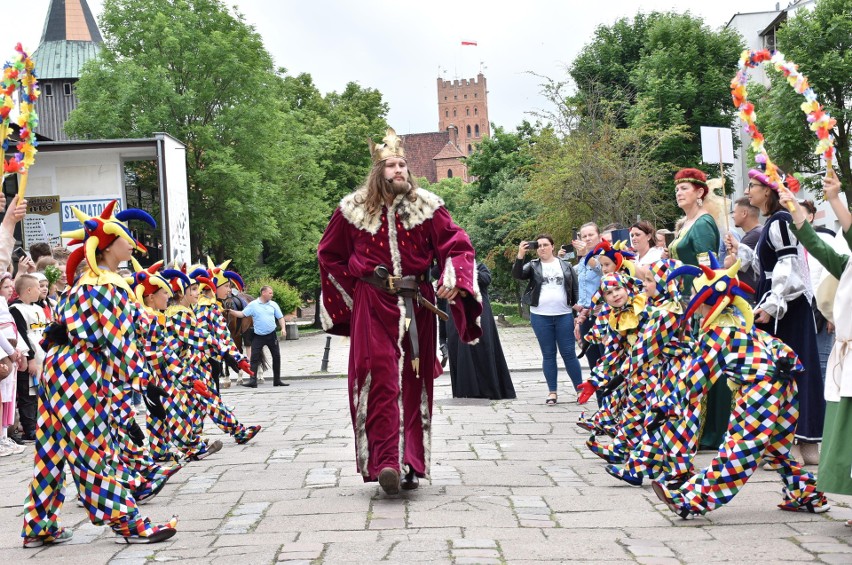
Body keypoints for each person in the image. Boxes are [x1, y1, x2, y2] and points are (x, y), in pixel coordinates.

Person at [317, 127, 482, 495]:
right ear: (379, 171)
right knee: (378, 380)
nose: (399, 170)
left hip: (417, 304)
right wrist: (355, 295)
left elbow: (457, 244)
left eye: (403, 164)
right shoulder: (353, 209)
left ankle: (410, 463)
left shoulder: (427, 206)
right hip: (373, 304)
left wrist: (453, 275)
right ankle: (385, 462)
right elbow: (328, 254)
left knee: (413, 383)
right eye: (391, 165)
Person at [22, 200, 177, 547]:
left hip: (61, 368)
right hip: (82, 371)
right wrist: (144, 378)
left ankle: (39, 523)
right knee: (93, 447)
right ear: (107, 246)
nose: (132, 242)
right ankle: (126, 520)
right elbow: (119, 340)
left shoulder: (88, 283)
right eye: (125, 237)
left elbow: (56, 330)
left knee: (52, 448)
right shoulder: (105, 285)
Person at [652, 256, 829, 519]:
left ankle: (691, 500)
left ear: (706, 300)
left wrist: (666, 406)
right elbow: (783, 352)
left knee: (739, 449)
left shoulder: (717, 334)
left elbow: (695, 378)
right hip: (785, 386)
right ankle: (807, 494)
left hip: (760, 391)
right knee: (775, 449)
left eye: (694, 294)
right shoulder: (740, 324)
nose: (691, 299)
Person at [728, 167, 825, 465]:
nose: (747, 192)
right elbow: (767, 268)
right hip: (782, 306)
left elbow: (788, 268)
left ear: (767, 191)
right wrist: (743, 253)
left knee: (786, 374)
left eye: (752, 186)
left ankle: (793, 442)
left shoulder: (780, 221)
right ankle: (802, 444)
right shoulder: (775, 223)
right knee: (789, 372)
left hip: (787, 311)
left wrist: (771, 306)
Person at [780, 175, 852, 521]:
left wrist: (836, 198)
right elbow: (814, 244)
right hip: (847, 358)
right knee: (845, 433)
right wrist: (793, 206)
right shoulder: (846, 263)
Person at [668, 168, 728, 453]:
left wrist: (702, 302)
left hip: (703, 303)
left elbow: (709, 267)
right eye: (677, 189)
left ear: (700, 192)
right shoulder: (687, 222)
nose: (679, 193)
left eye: (685, 189)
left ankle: (713, 432)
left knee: (709, 368)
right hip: (685, 301)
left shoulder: (703, 223)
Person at [514, 234, 581, 405]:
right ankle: (552, 392)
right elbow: (518, 275)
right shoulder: (533, 265)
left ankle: (580, 390)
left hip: (563, 315)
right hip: (540, 315)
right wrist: (520, 255)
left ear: (553, 246)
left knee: (569, 353)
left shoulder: (565, 265)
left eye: (545, 245)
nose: (542, 248)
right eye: (539, 246)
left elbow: (574, 288)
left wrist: (577, 309)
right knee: (548, 354)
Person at [444, 262, 515, 400]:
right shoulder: (447, 267)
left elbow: (486, 279)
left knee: (484, 348)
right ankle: (466, 390)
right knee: (461, 350)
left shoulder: (479, 266)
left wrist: (464, 271)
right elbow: (435, 273)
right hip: (457, 314)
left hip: (479, 314)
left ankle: (488, 389)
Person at [799, 199, 836, 379]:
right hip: (801, 310)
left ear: (811, 216)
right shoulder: (791, 242)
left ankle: (826, 407)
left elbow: (833, 277)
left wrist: (832, 314)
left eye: (799, 212)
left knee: (823, 363)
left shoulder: (826, 239)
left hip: (822, 310)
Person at [568, 223, 604, 404]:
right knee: (593, 364)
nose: (588, 239)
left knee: (605, 361)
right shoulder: (581, 262)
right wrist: (578, 307)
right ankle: (601, 409)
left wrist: (587, 254)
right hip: (585, 317)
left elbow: (601, 270)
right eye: (584, 236)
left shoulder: (603, 255)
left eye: (591, 235)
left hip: (602, 314)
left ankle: (611, 408)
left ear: (598, 236)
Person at [230, 285, 286, 388]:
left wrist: (283, 328)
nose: (272, 295)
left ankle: (277, 380)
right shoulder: (253, 305)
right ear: (263, 293)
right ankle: (253, 381)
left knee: (276, 356)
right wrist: (231, 311)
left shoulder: (273, 304)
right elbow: (242, 314)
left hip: (271, 335)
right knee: (254, 358)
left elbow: (280, 317)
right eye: (270, 293)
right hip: (258, 336)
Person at [724, 197, 763, 302]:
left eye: (734, 212)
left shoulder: (754, 235)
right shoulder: (757, 232)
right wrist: (735, 250)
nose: (732, 216)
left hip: (749, 297)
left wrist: (733, 252)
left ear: (744, 213)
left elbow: (730, 263)